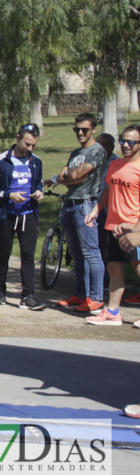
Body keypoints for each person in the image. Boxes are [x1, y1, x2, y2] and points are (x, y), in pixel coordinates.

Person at [46, 113, 106, 313]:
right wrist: (68, 178)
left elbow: (73, 174)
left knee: (91, 252)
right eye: (77, 129)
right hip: (69, 204)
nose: (80, 133)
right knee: (76, 253)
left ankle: (96, 298)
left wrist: (68, 177)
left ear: (94, 130)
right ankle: (81, 294)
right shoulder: (75, 153)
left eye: (84, 130)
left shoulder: (97, 151)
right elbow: (67, 175)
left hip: (85, 205)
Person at [0, 123, 45, 309]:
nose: (29, 148)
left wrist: (39, 192)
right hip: (6, 215)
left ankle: (28, 296)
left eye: (33, 145)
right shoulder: (1, 160)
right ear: (18, 138)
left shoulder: (36, 161)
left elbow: (39, 182)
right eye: (27, 144)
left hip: (28, 214)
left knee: (28, 255)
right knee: (4, 253)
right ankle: (0, 290)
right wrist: (8, 195)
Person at [84, 124, 140, 325]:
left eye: (131, 142)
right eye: (123, 140)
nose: (125, 145)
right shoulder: (116, 165)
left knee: (138, 268)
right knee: (114, 268)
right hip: (112, 226)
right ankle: (113, 312)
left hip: (132, 229)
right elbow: (108, 190)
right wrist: (95, 210)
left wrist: (138, 229)